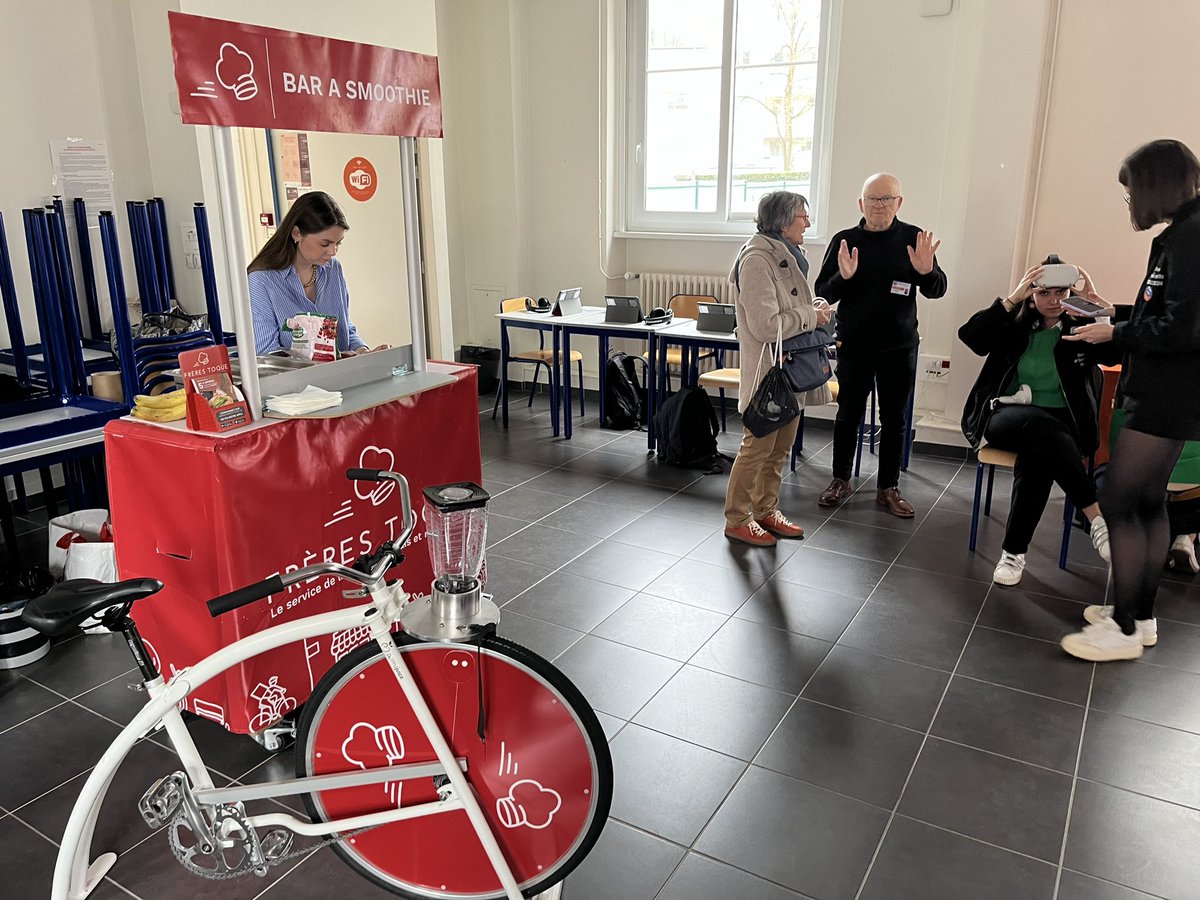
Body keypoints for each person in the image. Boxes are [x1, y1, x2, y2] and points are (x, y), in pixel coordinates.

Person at [1060, 139, 1200, 661]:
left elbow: (1180, 329)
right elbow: (1165, 312)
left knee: (1118, 498)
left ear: (1153, 186)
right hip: (1170, 390)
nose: (1128, 205)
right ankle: (1139, 616)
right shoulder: (1182, 234)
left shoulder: (1190, 238)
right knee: (1147, 501)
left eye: (1129, 194)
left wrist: (1113, 333)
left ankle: (1121, 628)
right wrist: (1110, 313)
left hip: (1167, 392)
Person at [958, 256, 1120, 586]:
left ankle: (1013, 554)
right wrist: (1011, 299)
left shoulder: (1081, 328)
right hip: (1006, 415)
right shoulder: (1013, 325)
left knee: (1040, 454)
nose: (1054, 301)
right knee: (1042, 432)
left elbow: (1115, 355)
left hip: (1063, 423)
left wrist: (1096, 309)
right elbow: (970, 336)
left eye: (1062, 292)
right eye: (1044, 292)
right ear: (1031, 293)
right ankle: (1095, 515)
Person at [814, 173, 947, 518]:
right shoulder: (845, 240)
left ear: (899, 203)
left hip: (899, 348)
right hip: (855, 345)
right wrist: (843, 277)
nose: (879, 206)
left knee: (895, 419)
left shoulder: (913, 238)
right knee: (848, 415)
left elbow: (937, 289)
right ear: (861, 203)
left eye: (887, 199)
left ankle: (888, 487)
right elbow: (823, 293)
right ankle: (840, 479)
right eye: (872, 199)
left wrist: (926, 271)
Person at [723, 191, 832, 547]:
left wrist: (812, 308)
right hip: (769, 373)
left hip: (791, 371)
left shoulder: (788, 255)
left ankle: (765, 510)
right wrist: (809, 316)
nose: (808, 223)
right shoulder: (757, 260)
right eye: (803, 217)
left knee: (779, 449)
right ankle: (737, 519)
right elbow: (766, 326)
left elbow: (787, 308)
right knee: (757, 448)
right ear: (783, 222)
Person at [248, 191, 388, 357]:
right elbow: (266, 355)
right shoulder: (261, 281)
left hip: (343, 378)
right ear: (296, 234)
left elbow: (345, 330)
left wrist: (363, 352)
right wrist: (331, 358)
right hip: (292, 382)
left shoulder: (333, 269)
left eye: (338, 243)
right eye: (325, 243)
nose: (332, 252)